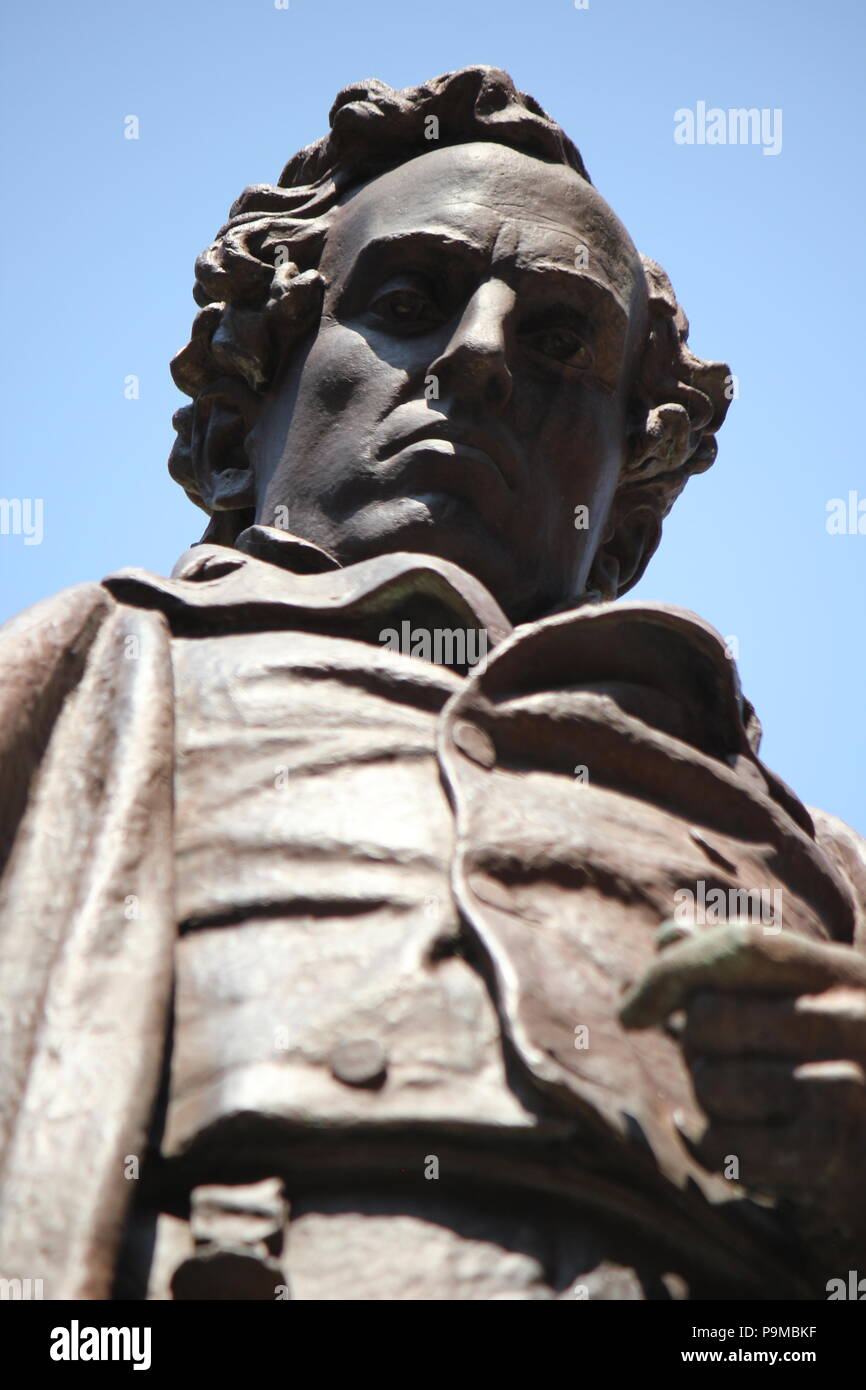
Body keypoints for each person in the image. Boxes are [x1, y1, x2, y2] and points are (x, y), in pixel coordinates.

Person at [1, 66, 864, 1301]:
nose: (476, 360)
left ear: (617, 523)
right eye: (407, 300)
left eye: (558, 338)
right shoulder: (104, 667)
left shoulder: (810, 855)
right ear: (242, 432)